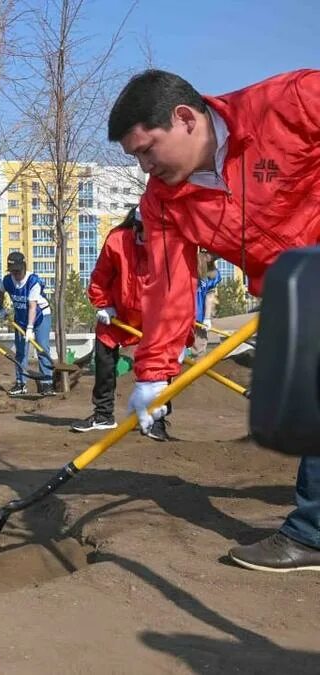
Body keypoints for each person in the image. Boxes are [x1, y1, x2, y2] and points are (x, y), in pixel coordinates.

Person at [108, 68, 320, 571]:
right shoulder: (162, 202)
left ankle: (312, 534)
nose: (143, 167)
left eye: (146, 150)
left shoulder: (289, 104)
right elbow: (167, 286)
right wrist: (155, 373)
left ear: (184, 119)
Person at [73, 208, 169, 440]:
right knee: (104, 361)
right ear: (136, 227)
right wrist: (103, 304)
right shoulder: (117, 242)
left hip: (153, 315)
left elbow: (176, 287)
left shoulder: (168, 245)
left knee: (160, 366)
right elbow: (100, 276)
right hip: (117, 315)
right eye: (147, 231)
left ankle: (158, 421)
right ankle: (103, 414)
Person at [0, 252, 54, 397]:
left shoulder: (33, 281)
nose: (15, 274)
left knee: (42, 348)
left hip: (41, 315)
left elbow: (32, 306)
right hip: (21, 318)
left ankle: (47, 383)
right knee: (21, 352)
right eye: (12, 271)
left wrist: (30, 328)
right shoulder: (7, 281)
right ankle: (21, 383)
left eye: (18, 270)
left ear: (24, 267)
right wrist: (1, 310)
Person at [193, 250, 220, 355]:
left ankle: (198, 367)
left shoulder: (213, 274)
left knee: (199, 349)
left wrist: (207, 318)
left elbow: (209, 296)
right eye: (212, 253)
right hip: (182, 314)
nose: (214, 257)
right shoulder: (189, 265)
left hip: (199, 316)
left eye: (216, 256)